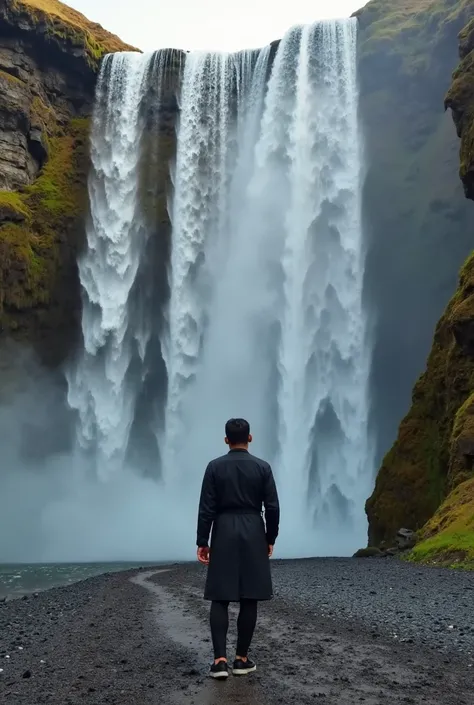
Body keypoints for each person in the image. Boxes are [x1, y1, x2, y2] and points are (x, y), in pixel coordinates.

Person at [196, 418, 280, 680]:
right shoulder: (263, 468)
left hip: (224, 530)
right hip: (254, 528)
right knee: (249, 597)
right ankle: (241, 659)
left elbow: (206, 508)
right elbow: (273, 507)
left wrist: (202, 541)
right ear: (250, 438)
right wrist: (270, 537)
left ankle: (219, 661)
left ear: (226, 440)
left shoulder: (214, 467)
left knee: (220, 597)